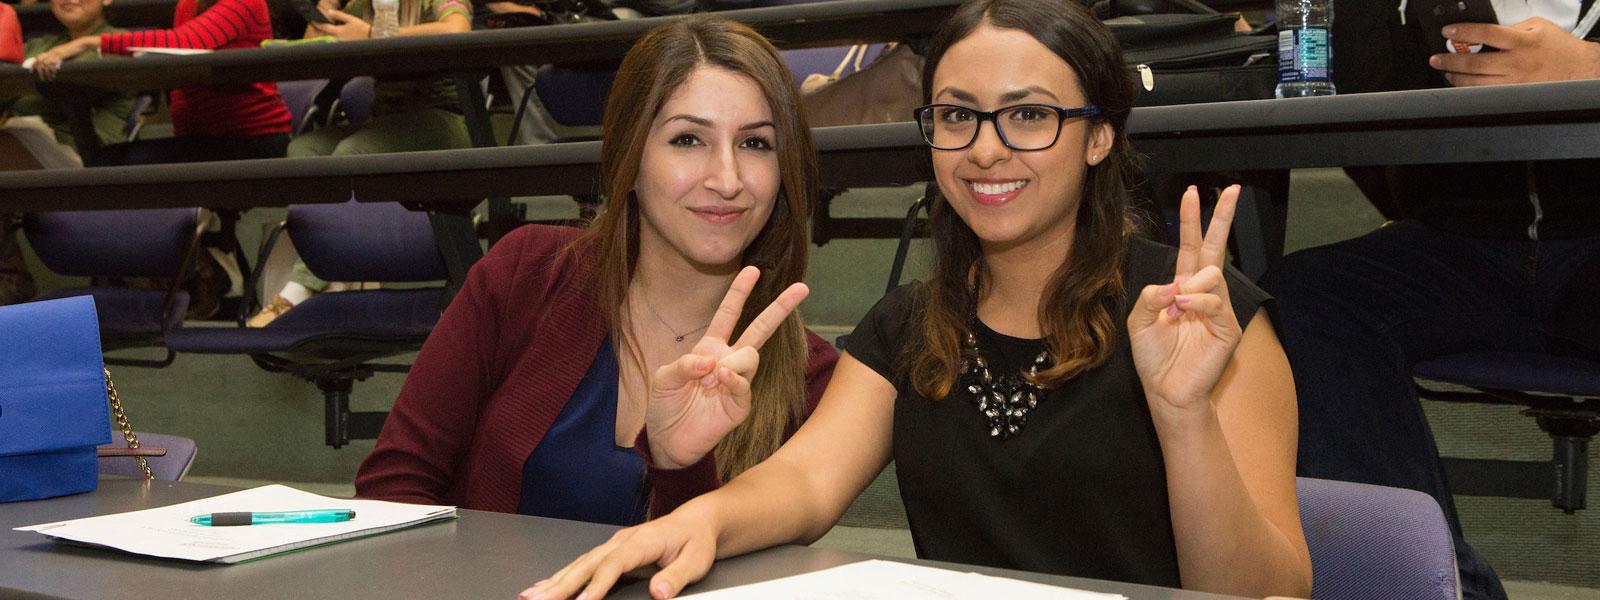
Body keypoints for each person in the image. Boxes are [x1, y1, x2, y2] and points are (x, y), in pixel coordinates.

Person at [524, 0, 1311, 598]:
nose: (987, 148)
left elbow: (1266, 591)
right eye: (959, 116)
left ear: (1099, 135)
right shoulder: (909, 324)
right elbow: (802, 482)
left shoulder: (1200, 318)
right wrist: (699, 519)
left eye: (1031, 115)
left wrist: (1184, 418)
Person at [354, 16, 839, 523]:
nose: (727, 178)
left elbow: (729, 577)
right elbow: (395, 487)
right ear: (628, 156)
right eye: (688, 140)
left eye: (755, 143)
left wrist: (680, 468)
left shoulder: (809, 378)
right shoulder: (527, 273)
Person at [1260, 3, 1600, 599]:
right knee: (1304, 296)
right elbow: (1351, 114)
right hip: (1460, 246)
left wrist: (1589, 68)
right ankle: (1426, 582)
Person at [242, 0, 473, 327]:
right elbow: (313, 39)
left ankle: (299, 289)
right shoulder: (361, 4)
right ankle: (335, 276)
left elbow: (456, 29)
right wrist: (328, 8)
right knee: (304, 149)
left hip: (445, 122)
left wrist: (369, 33)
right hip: (386, 126)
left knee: (353, 150)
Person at [28, 0, 294, 164]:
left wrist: (89, 42)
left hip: (255, 139)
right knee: (108, 161)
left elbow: (185, 43)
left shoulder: (246, 1)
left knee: (117, 165)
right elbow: (180, 86)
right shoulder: (187, 4)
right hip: (204, 139)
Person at [2, 0, 136, 155]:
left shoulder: (119, 40)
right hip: (20, 144)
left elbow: (70, 84)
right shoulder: (37, 46)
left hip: (87, 153)